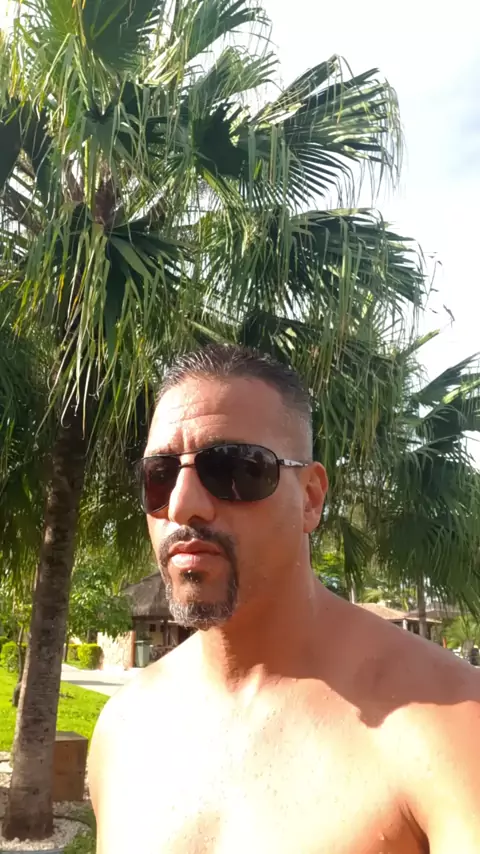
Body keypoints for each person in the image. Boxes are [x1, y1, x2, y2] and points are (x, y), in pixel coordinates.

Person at [89, 344, 480, 854]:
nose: (182, 505)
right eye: (160, 475)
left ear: (311, 498)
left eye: (235, 469)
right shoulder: (125, 729)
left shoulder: (450, 724)